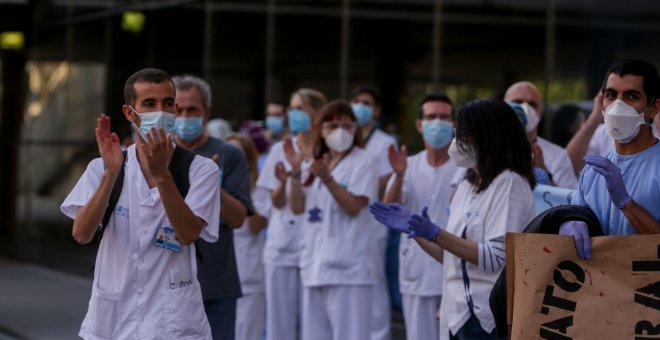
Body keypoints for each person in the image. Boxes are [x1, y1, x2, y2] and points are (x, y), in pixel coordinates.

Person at [60, 68, 221, 339]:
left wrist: (162, 174)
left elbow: (187, 233)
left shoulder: (201, 170)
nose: (161, 111)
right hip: (113, 322)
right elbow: (82, 234)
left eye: (168, 103)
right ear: (129, 113)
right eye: (149, 104)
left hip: (173, 325)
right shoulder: (102, 168)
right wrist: (111, 175)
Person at [372, 99, 535, 340]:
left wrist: (435, 233)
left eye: (464, 133)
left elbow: (496, 257)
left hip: (487, 318)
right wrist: (415, 230)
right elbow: (449, 257)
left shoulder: (509, 184)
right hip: (457, 314)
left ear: (488, 136)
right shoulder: (468, 184)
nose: (456, 140)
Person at [287, 99, 378, 340]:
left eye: (347, 126)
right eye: (333, 126)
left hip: (349, 271)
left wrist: (328, 180)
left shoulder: (363, 161)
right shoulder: (317, 162)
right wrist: (296, 172)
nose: (340, 132)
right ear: (321, 130)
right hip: (314, 267)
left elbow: (353, 207)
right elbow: (297, 208)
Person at [172, 74, 253, 340]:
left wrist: (210, 184)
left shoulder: (229, 155)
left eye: (192, 109)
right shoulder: (158, 155)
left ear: (206, 111)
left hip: (216, 287)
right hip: (166, 286)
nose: (184, 116)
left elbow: (239, 217)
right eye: (178, 109)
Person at [560, 59, 660, 260]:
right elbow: (577, 220)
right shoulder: (593, 170)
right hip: (601, 288)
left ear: (653, 108)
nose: (618, 105)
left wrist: (626, 203)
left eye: (632, 96)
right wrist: (569, 222)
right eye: (611, 95)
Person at [381, 93, 459, 340]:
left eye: (444, 117)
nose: (438, 122)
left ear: (454, 123)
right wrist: (399, 175)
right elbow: (388, 209)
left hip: (454, 269)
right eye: (431, 117)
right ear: (419, 124)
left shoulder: (465, 168)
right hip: (416, 270)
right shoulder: (408, 165)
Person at [255, 88, 327, 340]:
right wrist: (284, 182)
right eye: (292, 109)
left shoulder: (328, 151)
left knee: (314, 325)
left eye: (300, 109)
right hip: (281, 244)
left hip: (317, 248)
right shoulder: (280, 150)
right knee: (278, 326)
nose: (293, 114)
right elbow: (271, 202)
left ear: (317, 115)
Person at [350, 83, 396, 340]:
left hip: (374, 220)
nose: (360, 107)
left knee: (375, 279)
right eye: (356, 101)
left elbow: (388, 180)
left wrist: (361, 182)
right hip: (349, 218)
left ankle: (379, 335)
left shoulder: (385, 142)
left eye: (366, 103)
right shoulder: (345, 140)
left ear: (376, 111)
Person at [226, 133, 270, 340]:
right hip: (219, 280)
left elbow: (256, 227)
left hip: (248, 278)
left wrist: (245, 192)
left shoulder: (259, 189)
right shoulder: (210, 186)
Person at [504, 81, 577, 189]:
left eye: (532, 104)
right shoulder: (489, 151)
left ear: (540, 112)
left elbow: (569, 201)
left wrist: (546, 177)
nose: (525, 108)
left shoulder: (559, 156)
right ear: (503, 107)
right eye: (517, 102)